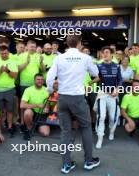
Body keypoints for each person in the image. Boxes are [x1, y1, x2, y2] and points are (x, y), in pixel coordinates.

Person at [47, 34, 100, 174]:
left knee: (66, 131)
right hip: (77, 98)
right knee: (86, 127)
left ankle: (66, 164)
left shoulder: (59, 58)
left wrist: (51, 89)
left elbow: (49, 78)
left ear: (67, 43)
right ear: (79, 44)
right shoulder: (86, 57)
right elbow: (95, 73)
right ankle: (89, 161)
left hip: (63, 98)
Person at [93, 46, 122, 149]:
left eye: (107, 52)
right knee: (101, 116)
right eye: (103, 52)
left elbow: (120, 80)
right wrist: (91, 81)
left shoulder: (117, 66)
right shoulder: (98, 66)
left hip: (113, 95)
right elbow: (96, 78)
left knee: (112, 116)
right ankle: (100, 138)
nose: (105, 54)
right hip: (102, 94)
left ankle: (111, 131)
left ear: (111, 54)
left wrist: (117, 89)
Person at [0, 46, 18, 137]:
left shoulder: (13, 62)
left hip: (10, 89)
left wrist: (7, 71)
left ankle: (10, 127)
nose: (4, 55)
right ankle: (0, 128)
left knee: (10, 110)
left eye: (5, 53)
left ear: (8, 53)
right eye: (2, 53)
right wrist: (0, 72)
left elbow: (15, 76)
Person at [18, 40, 45, 131]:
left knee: (36, 102)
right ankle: (22, 122)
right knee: (23, 104)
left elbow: (43, 70)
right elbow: (17, 69)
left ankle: (34, 121)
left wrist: (41, 62)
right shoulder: (21, 56)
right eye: (31, 46)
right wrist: (27, 62)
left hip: (36, 84)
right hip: (24, 83)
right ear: (27, 47)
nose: (32, 48)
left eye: (34, 46)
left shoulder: (39, 56)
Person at [20, 73, 50, 140]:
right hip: (32, 112)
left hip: (42, 114)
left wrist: (47, 107)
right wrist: (37, 105)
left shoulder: (47, 90)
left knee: (46, 133)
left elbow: (48, 102)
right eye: (38, 79)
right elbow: (22, 105)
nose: (40, 81)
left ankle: (36, 126)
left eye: (42, 80)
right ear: (34, 80)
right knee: (27, 112)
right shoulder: (28, 90)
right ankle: (29, 129)